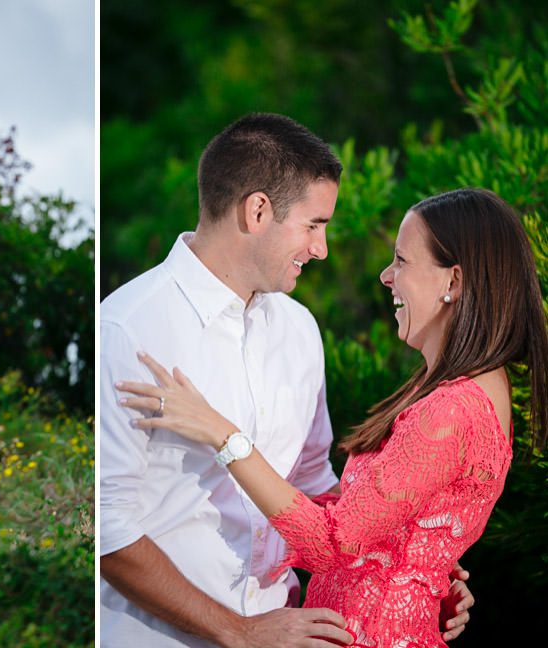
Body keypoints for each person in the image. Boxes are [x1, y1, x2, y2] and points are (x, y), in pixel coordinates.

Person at [100, 113, 472, 647]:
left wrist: (412, 569)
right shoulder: (128, 328)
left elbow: (314, 483)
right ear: (257, 211)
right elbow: (110, 531)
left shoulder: (299, 328)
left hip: (289, 630)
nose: (320, 249)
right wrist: (239, 632)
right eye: (314, 225)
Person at [117, 188, 548, 647]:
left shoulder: (452, 410)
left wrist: (224, 435)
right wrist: (426, 573)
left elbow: (334, 543)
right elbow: (374, 521)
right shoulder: (462, 390)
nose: (386, 276)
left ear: (453, 282)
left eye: (402, 261)